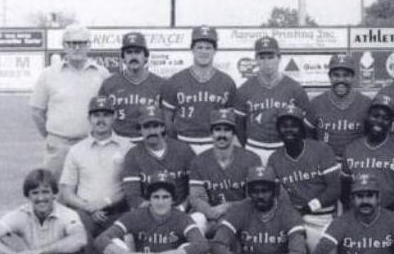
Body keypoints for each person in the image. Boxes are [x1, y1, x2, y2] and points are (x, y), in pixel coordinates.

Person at [58, 96, 132, 254]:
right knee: (80, 229)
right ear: (89, 119)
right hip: (85, 210)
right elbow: (67, 192)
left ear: (114, 117)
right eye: (96, 115)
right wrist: (89, 208)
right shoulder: (76, 150)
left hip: (117, 209)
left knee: (122, 234)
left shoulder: (127, 147)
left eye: (106, 115)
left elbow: (131, 187)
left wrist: (105, 203)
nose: (101, 119)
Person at [30, 24, 110, 179]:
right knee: (54, 187)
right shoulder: (48, 74)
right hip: (58, 146)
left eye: (81, 43)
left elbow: (108, 111)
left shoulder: (101, 74)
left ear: (89, 45)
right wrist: (52, 137)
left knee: (91, 187)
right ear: (64, 46)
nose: (77, 47)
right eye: (72, 43)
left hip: (91, 144)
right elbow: (37, 112)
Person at [267, 105, 341, 251]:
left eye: (293, 126)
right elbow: (276, 195)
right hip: (295, 217)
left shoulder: (321, 149)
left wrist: (308, 207)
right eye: (284, 126)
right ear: (278, 130)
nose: (288, 130)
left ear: (302, 128)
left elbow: (335, 189)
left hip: (322, 217)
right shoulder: (274, 158)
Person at [233, 36, 310, 164]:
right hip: (254, 147)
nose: (266, 62)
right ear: (256, 59)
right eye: (262, 57)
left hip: (284, 147)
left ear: (279, 58)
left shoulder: (295, 89)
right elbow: (239, 126)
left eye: (271, 57)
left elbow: (305, 125)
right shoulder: (244, 89)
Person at [161, 25, 236, 154]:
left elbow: (232, 119)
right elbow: (167, 119)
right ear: (192, 49)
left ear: (215, 51)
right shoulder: (176, 80)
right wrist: (176, 143)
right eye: (199, 47)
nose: (204, 52)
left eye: (208, 48)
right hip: (183, 142)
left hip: (215, 143)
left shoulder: (226, 82)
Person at [189, 108, 262, 236]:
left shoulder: (251, 159)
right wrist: (210, 212)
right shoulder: (199, 161)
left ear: (233, 133)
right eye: (217, 129)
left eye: (227, 130)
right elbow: (196, 197)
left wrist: (228, 207)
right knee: (196, 219)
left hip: (242, 214)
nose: (222, 134)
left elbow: (254, 198)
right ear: (211, 133)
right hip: (212, 216)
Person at [341, 94, 394, 216]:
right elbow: (345, 188)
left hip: (389, 213)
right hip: (357, 214)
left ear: (391, 123)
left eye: (385, 118)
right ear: (367, 117)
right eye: (375, 116)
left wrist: (379, 210)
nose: (379, 121)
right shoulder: (351, 148)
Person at [121, 105, 195, 211]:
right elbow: (132, 195)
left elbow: (196, 188)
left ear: (163, 127)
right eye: (146, 127)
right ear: (140, 130)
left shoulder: (183, 150)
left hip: (182, 210)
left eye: (155, 126)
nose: (152, 132)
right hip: (148, 212)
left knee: (199, 218)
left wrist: (182, 207)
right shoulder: (133, 154)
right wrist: (156, 211)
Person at [98, 31, 166, 141]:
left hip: (148, 141)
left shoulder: (160, 84)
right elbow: (101, 117)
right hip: (118, 140)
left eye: (138, 52)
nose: (133, 56)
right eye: (129, 52)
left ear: (146, 57)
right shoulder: (109, 84)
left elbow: (167, 119)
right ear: (123, 58)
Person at [308, 53, 372, 159]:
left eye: (346, 75)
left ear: (353, 77)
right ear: (330, 76)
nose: (341, 80)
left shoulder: (366, 103)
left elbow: (371, 139)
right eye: (336, 75)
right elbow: (308, 139)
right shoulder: (316, 103)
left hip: (356, 162)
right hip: (325, 163)